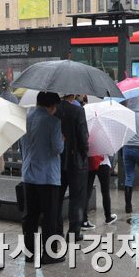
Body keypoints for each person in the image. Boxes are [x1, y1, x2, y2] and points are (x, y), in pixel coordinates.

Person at [21, 92, 65, 264]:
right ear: (51, 106)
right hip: (47, 177)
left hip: (28, 174)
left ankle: (30, 253)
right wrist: (62, 139)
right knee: (49, 216)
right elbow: (57, 149)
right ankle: (49, 254)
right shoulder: (53, 122)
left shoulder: (25, 118)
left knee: (30, 216)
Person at [55, 94, 89, 241]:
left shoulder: (54, 110)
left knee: (57, 198)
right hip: (76, 162)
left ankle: (57, 230)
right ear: (73, 94)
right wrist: (84, 153)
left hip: (58, 161)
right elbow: (83, 137)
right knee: (77, 198)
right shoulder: (78, 111)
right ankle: (74, 232)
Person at [85, 155, 117, 227]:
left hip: (91, 162)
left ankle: (84, 220)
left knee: (87, 192)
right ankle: (108, 217)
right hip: (103, 163)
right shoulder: (104, 143)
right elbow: (110, 153)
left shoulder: (90, 142)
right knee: (105, 191)